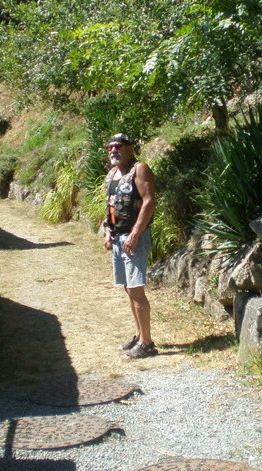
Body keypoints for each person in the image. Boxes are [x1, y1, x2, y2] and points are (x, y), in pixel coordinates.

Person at [102, 133, 157, 359]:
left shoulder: (139, 168)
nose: (114, 150)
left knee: (136, 289)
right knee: (128, 288)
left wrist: (135, 233)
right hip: (118, 238)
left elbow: (149, 201)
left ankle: (147, 343)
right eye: (110, 147)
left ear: (130, 148)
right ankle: (138, 335)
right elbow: (111, 204)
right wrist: (107, 229)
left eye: (119, 146)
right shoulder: (112, 173)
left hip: (133, 239)